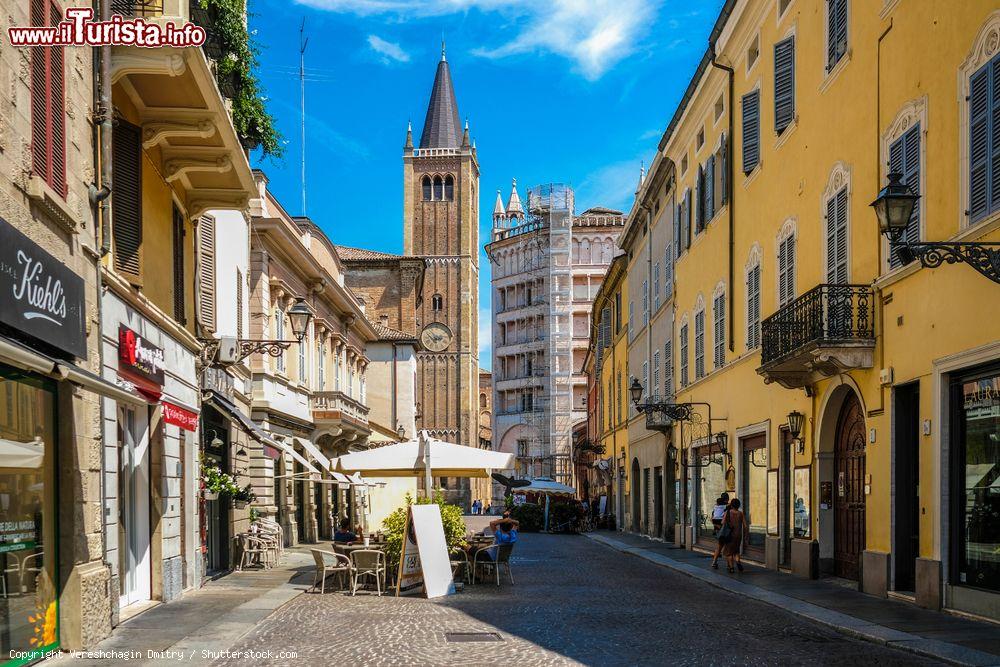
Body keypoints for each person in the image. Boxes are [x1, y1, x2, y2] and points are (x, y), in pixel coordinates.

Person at [721, 498, 749, 573]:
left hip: (730, 535)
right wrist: (746, 536)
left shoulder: (728, 512)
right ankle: (738, 561)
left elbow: (722, 522)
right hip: (738, 535)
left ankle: (731, 567)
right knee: (736, 551)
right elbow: (745, 526)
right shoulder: (741, 513)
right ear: (738, 505)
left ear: (731, 505)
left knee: (729, 552)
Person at [710, 493, 730, 569]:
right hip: (726, 530)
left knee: (719, 547)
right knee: (728, 547)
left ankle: (714, 562)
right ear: (727, 499)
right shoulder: (727, 508)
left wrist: (716, 526)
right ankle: (729, 565)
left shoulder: (716, 508)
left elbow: (712, 519)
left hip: (718, 530)